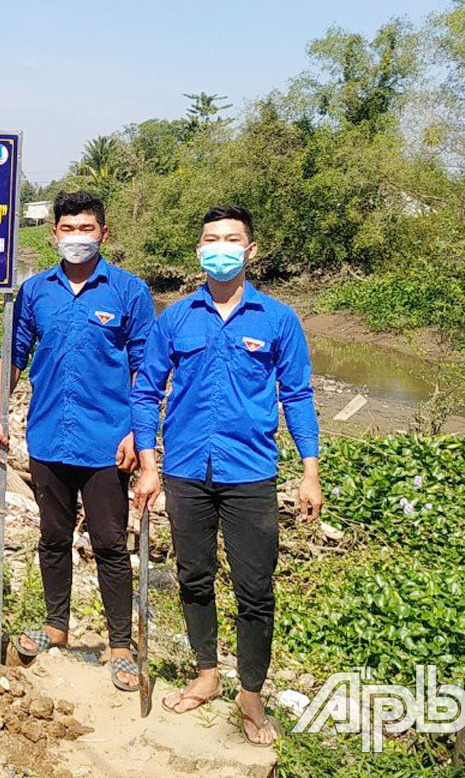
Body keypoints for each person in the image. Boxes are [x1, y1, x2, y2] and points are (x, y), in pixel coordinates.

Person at [129, 203, 323, 746]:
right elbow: (146, 390)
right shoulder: (176, 317)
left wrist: (310, 472)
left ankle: (251, 694)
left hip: (250, 473)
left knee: (255, 588)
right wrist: (150, 466)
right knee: (194, 577)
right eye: (211, 239)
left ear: (250, 250)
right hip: (187, 470)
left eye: (231, 239)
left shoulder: (278, 319)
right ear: (199, 251)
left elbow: (298, 396)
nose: (221, 247)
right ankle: (207, 674)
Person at [0, 190, 155, 692]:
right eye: (67, 228)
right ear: (54, 233)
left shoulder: (129, 292)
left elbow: (147, 372)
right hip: (49, 436)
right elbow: (12, 356)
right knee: (53, 538)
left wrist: (138, 435)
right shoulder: (36, 291)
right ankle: (56, 626)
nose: (76, 238)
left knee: (108, 543)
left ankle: (120, 645)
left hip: (108, 443)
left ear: (104, 233)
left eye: (86, 229)